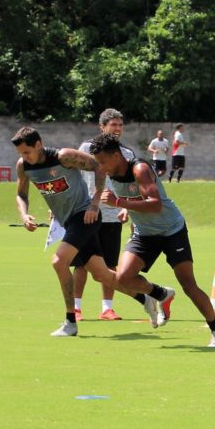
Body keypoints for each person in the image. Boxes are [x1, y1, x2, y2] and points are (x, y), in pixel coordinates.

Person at [11, 127, 157, 336]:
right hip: (68, 222)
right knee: (103, 275)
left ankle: (70, 322)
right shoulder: (23, 166)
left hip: (85, 216)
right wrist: (24, 215)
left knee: (58, 261)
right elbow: (21, 195)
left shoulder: (64, 157)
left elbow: (98, 167)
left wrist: (95, 203)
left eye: (27, 152)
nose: (25, 157)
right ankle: (149, 296)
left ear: (38, 144)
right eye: (20, 154)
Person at [88, 133, 215, 348]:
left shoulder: (139, 169)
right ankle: (161, 294)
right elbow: (134, 199)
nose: (101, 167)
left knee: (189, 285)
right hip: (144, 233)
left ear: (116, 156)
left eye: (103, 161)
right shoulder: (111, 173)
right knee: (123, 277)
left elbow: (155, 204)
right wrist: (126, 208)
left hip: (172, 230)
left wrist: (120, 202)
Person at [73, 108, 133, 321]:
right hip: (86, 214)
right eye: (113, 125)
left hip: (112, 216)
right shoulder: (86, 149)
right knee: (81, 263)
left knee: (109, 264)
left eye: (120, 125)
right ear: (102, 127)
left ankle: (107, 308)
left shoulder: (127, 154)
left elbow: (131, 187)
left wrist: (127, 207)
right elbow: (75, 178)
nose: (117, 129)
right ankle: (76, 308)